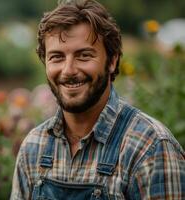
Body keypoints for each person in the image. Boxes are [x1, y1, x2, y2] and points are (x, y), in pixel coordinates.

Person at [10, 0, 185, 199]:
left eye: (84, 56)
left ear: (112, 61)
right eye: (57, 57)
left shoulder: (150, 147)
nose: (68, 71)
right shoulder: (34, 146)